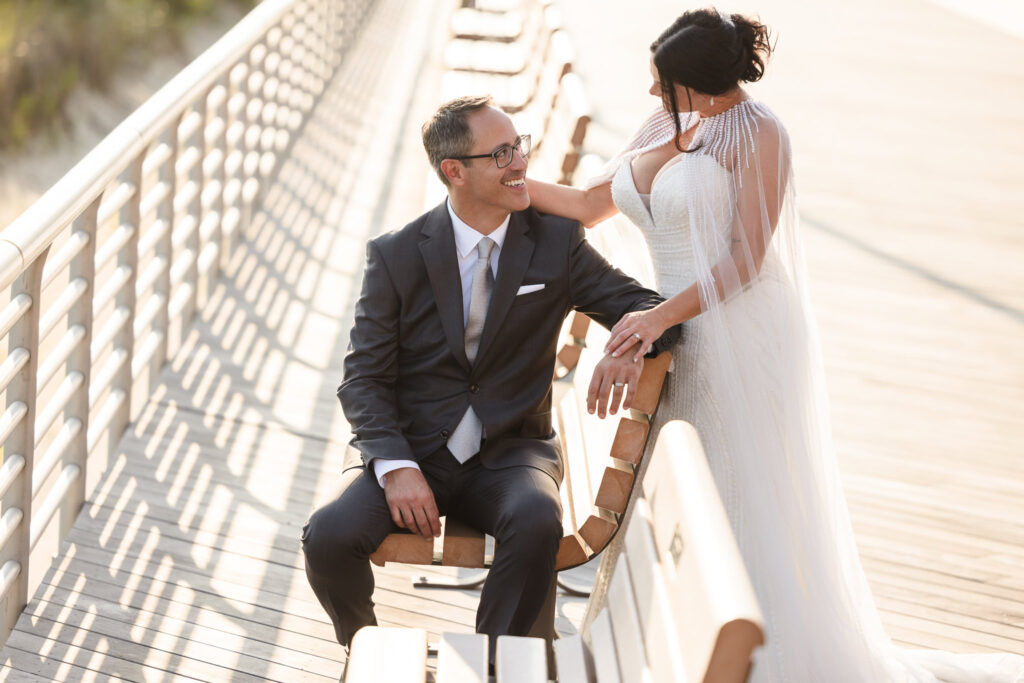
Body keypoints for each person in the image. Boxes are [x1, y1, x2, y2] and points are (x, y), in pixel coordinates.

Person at [526, 8, 1024, 682]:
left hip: (740, 332)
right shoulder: (668, 120)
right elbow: (589, 203)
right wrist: (499, 185)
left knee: (739, 488)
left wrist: (651, 318)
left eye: (661, 85)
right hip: (674, 326)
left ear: (698, 84)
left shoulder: (761, 136)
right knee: (676, 485)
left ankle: (754, 658)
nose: (650, 95)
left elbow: (744, 262)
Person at [301, 95, 681, 659]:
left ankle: (494, 664)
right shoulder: (397, 255)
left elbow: (650, 311)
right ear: (454, 171)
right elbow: (363, 378)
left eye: (518, 145)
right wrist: (396, 465)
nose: (520, 162)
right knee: (328, 536)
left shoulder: (555, 243)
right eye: (500, 153)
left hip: (512, 452)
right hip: (417, 451)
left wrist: (628, 342)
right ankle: (365, 651)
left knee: (534, 520)